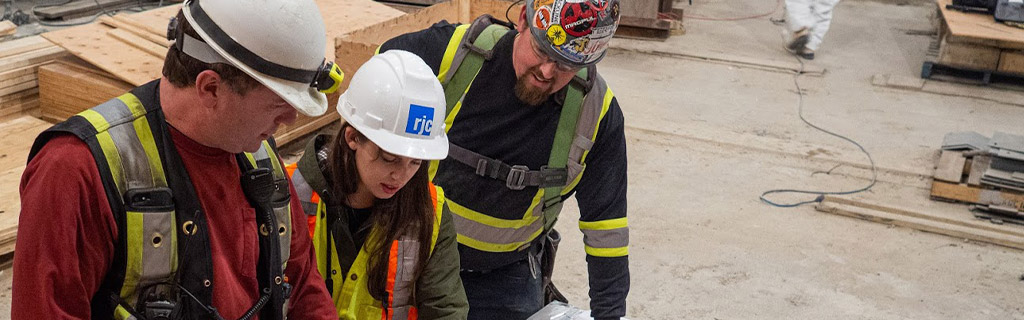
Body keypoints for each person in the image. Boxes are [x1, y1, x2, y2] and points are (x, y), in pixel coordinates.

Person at [12, 0, 344, 318]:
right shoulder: (75, 170)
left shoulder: (259, 154)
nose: (289, 120)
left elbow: (303, 288)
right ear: (211, 88)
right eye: (278, 105)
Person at [378, 0, 630, 318]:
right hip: (410, 255)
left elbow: (606, 228)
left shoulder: (596, 114)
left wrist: (610, 314)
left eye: (566, 65)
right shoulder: (451, 53)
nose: (547, 71)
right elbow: (375, 88)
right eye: (542, 52)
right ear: (523, 20)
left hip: (505, 277)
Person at [285, 50, 469, 319]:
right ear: (352, 138)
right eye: (389, 158)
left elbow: (446, 309)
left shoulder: (430, 211)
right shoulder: (288, 192)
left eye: (415, 163)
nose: (401, 176)